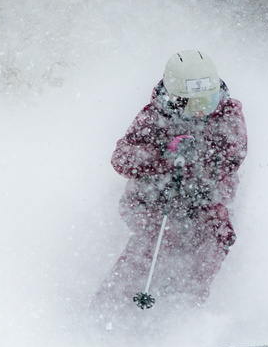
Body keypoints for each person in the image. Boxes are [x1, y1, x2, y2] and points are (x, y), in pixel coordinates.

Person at [96, 50, 247, 314]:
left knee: (218, 234)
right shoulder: (154, 117)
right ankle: (107, 310)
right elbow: (121, 158)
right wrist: (163, 155)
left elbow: (234, 156)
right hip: (154, 199)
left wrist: (200, 158)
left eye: (208, 100)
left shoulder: (228, 114)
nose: (202, 110)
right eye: (192, 103)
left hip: (205, 198)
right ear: (176, 100)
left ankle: (184, 313)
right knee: (157, 239)